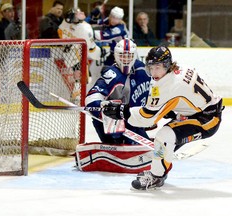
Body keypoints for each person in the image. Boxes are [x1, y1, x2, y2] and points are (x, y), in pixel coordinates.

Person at [101, 45, 224, 189]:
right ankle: (163, 160)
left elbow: (147, 118)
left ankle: (156, 177)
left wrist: (122, 112)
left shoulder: (168, 84)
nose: (154, 72)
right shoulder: (180, 69)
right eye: (151, 67)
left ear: (167, 65)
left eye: (158, 67)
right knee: (167, 138)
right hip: (199, 112)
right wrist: (170, 110)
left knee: (164, 136)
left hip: (207, 121)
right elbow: (182, 97)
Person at [85, 38, 151, 144]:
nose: (126, 59)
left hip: (133, 121)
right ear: (116, 55)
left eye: (129, 56)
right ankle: (115, 142)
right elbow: (91, 98)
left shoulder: (142, 69)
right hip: (113, 123)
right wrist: (103, 107)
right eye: (122, 55)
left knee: (145, 148)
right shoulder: (112, 74)